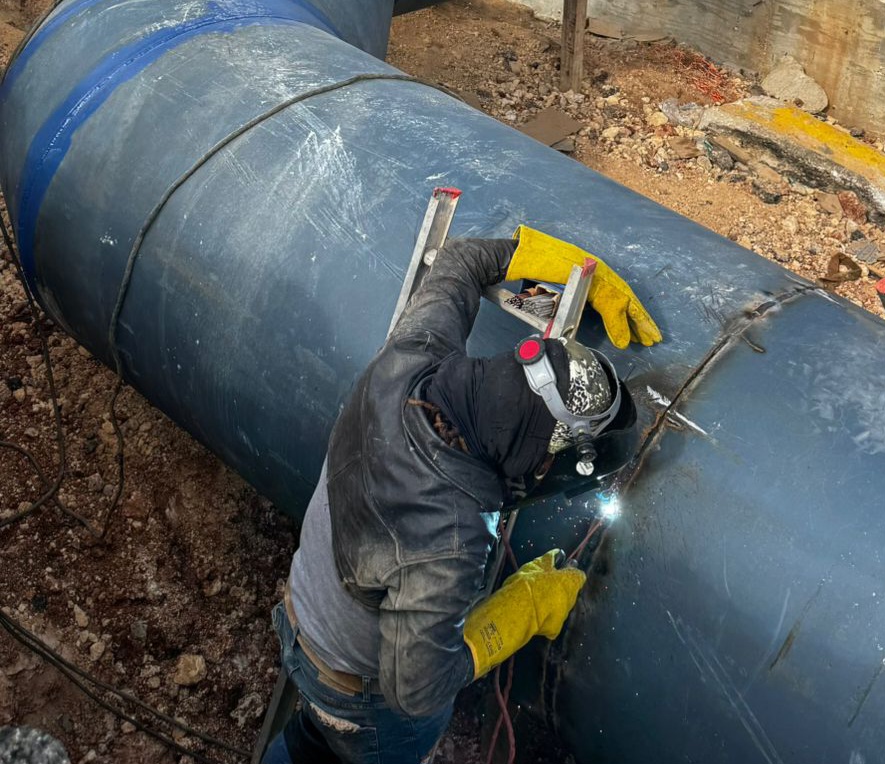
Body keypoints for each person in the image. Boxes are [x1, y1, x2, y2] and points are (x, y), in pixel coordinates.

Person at [262, 226, 661, 764]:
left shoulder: (410, 361)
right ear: (539, 455)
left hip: (301, 615)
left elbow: (461, 260)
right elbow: (415, 693)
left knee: (312, 746)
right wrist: (520, 609)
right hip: (358, 693)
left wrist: (553, 257)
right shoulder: (450, 537)